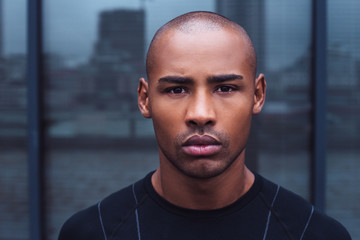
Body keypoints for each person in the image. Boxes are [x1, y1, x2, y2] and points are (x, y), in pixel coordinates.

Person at [58, 11, 351, 240]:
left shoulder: (314, 234)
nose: (200, 113)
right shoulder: (90, 232)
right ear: (145, 100)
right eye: (176, 90)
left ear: (258, 95)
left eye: (225, 88)